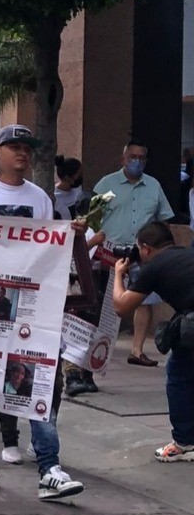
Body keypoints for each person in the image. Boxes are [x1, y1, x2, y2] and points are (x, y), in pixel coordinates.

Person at [0, 123, 83, 501]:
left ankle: (49, 467)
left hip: (28, 309)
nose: (22, 153)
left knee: (36, 383)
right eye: (15, 146)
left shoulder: (40, 198)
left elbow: (47, 249)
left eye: (27, 147)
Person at [112, 221, 194, 462]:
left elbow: (121, 306)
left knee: (178, 375)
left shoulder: (154, 267)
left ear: (146, 248)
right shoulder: (187, 254)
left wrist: (119, 275)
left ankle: (184, 442)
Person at [94, 140, 175, 368]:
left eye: (141, 158)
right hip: (112, 252)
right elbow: (91, 216)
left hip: (144, 253)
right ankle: (98, 350)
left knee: (144, 301)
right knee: (107, 304)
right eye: (132, 157)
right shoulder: (106, 185)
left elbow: (164, 219)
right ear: (123, 159)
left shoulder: (153, 186)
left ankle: (137, 351)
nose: (137, 161)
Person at [54, 156, 86, 221]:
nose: (81, 177)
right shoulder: (55, 197)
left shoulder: (78, 189)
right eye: (79, 175)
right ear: (67, 178)